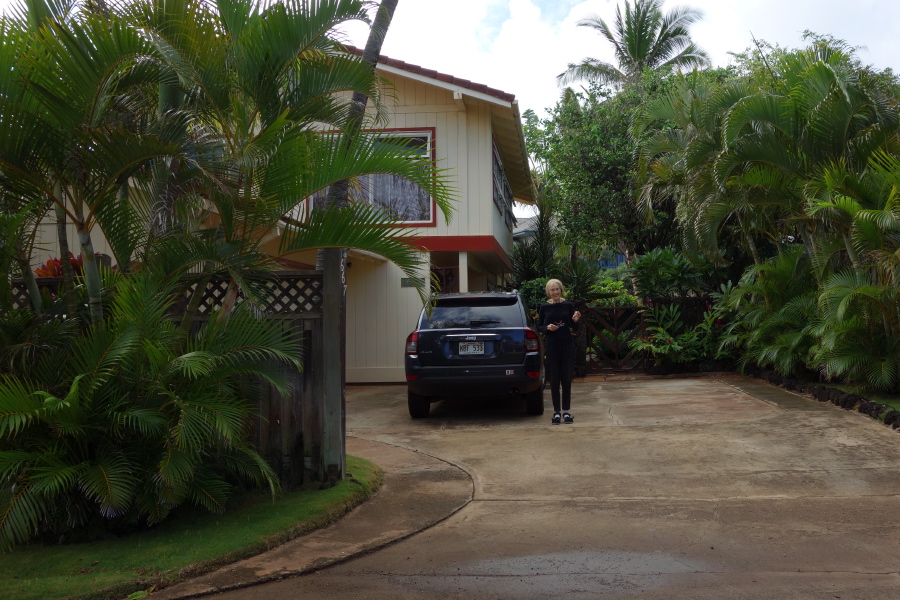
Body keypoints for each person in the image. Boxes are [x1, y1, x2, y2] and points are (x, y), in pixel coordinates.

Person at [536, 279, 581, 424]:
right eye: (552, 290)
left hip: (566, 344)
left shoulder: (568, 305)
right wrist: (547, 327)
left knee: (566, 378)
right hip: (552, 345)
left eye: (557, 289)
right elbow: (539, 326)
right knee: (554, 378)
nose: (555, 292)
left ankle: (566, 412)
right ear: (548, 292)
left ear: (561, 290)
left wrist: (575, 320)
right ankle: (556, 412)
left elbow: (575, 328)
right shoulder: (544, 307)